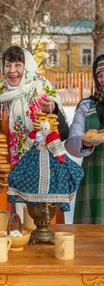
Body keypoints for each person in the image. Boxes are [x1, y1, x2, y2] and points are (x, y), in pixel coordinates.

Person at [0, 46, 69, 221]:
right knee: (7, 230)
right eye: (8, 65)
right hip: (6, 173)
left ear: (27, 67)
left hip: (41, 171)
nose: (12, 71)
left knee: (40, 226)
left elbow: (63, 133)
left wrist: (52, 110)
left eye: (18, 65)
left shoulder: (43, 92)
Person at [8, 117, 83, 211]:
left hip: (51, 156)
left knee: (60, 175)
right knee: (25, 174)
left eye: (45, 128)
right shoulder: (36, 134)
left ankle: (49, 201)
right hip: (35, 153)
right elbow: (27, 146)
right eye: (42, 128)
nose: (43, 130)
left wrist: (60, 157)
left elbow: (57, 151)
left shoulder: (53, 136)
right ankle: (34, 199)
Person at [65, 54, 104, 224]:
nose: (103, 79)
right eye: (100, 75)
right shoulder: (87, 105)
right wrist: (84, 142)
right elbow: (71, 141)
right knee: (90, 237)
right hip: (94, 174)